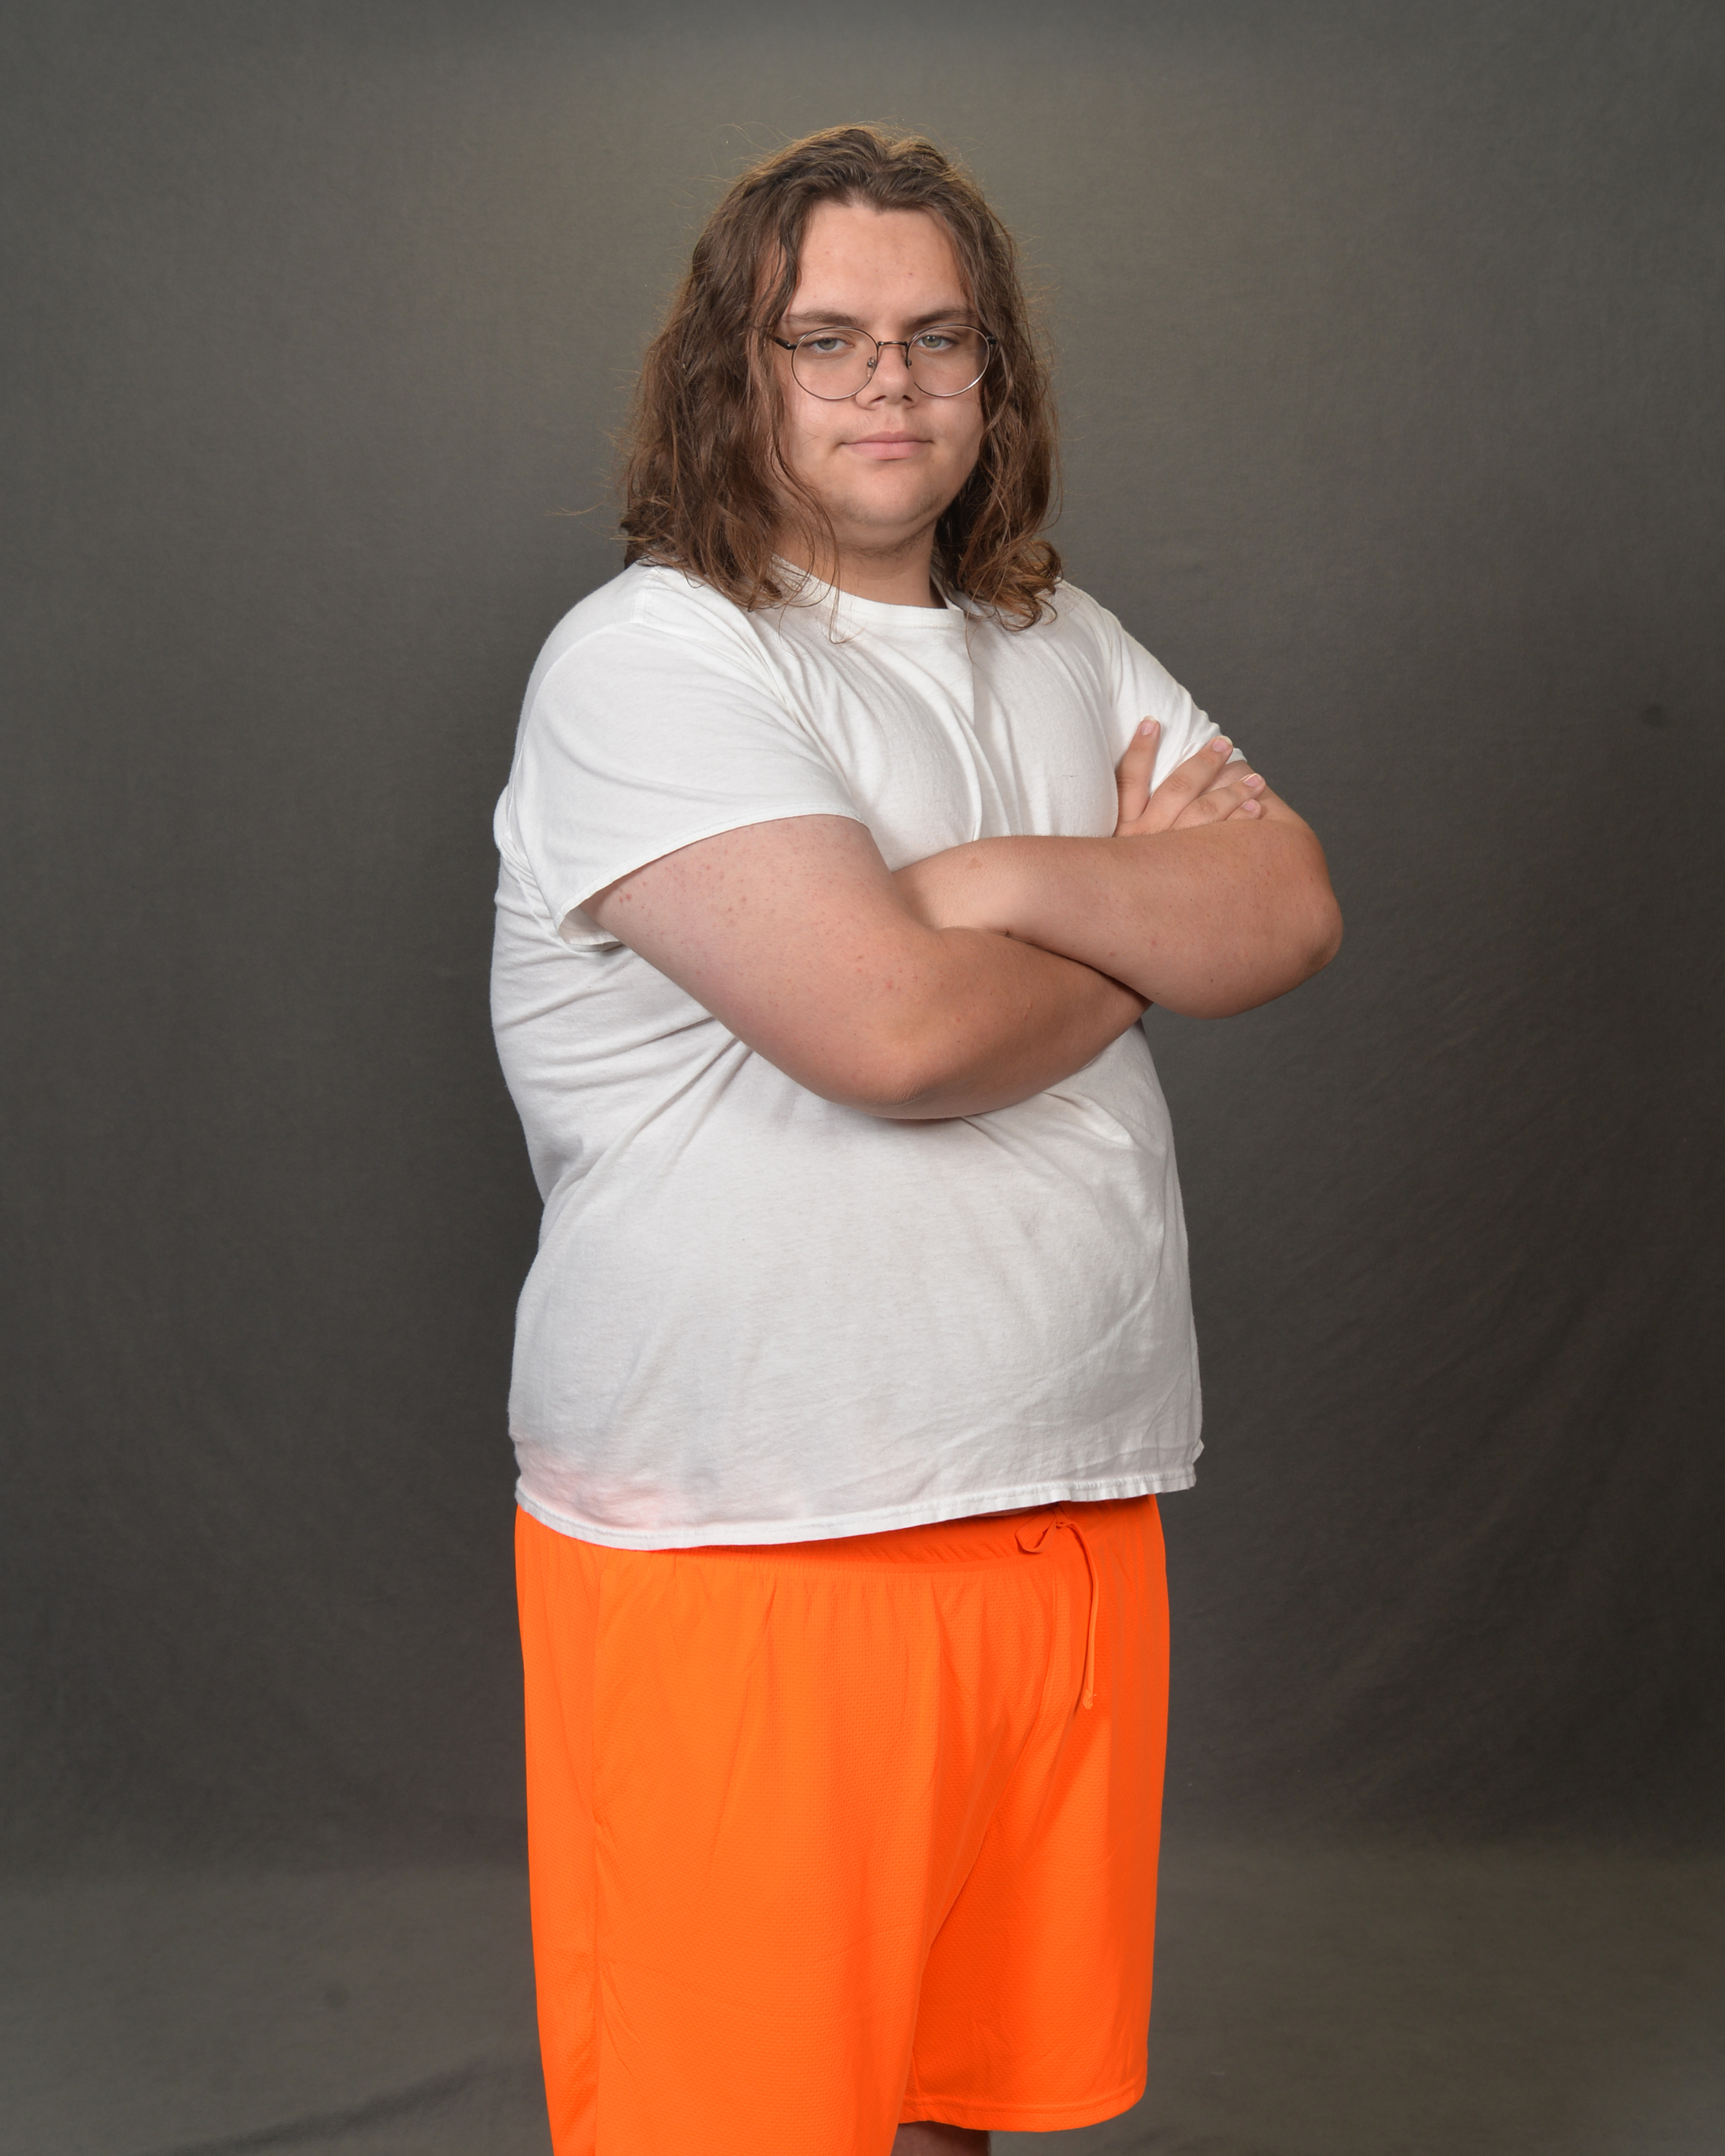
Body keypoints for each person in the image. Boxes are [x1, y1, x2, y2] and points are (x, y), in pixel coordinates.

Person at [490, 124, 1340, 2156]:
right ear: (736, 371)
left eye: (939, 338)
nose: (891, 382)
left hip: (1067, 1510)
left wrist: (985, 886)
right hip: (753, 1540)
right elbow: (891, 1034)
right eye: (829, 338)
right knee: (739, 2126)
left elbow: (1290, 905)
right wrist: (1133, 930)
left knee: (966, 2104)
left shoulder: (1059, 635)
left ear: (992, 373)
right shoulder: (654, 658)